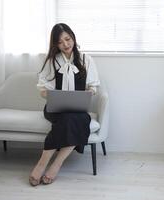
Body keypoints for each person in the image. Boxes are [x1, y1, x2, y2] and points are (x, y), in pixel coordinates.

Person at [29, 23, 100, 186]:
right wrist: (48, 94)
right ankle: (43, 164)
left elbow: (93, 87)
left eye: (68, 39)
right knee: (74, 120)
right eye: (60, 42)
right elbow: (42, 88)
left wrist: (90, 92)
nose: (66, 45)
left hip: (77, 110)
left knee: (76, 119)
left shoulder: (86, 60)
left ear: (73, 37)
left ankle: (55, 164)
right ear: (55, 44)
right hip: (56, 109)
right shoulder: (52, 61)